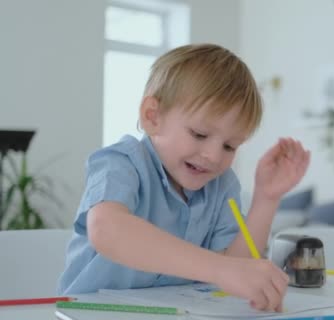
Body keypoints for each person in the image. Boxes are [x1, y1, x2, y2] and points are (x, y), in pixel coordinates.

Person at [58, 44, 310, 312]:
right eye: (199, 134)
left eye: (229, 146)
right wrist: (220, 269)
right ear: (152, 117)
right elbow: (108, 230)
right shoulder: (121, 162)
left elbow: (237, 268)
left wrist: (266, 199)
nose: (213, 156)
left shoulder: (222, 185)